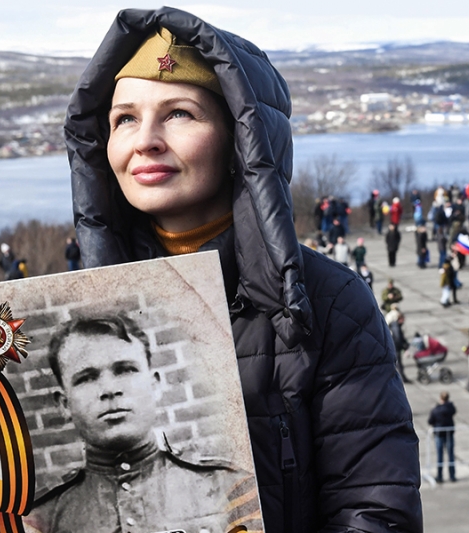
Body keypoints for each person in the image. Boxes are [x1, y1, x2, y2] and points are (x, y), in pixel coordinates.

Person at [48, 9, 419, 531]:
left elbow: (376, 510)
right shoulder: (78, 304)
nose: (145, 140)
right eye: (124, 118)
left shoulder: (328, 302)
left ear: (240, 142)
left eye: (179, 114)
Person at [26, 315, 260, 533]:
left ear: (155, 385)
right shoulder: (38, 519)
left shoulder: (230, 488)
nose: (109, 389)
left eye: (125, 369)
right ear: (64, 404)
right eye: (86, 378)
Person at [427, 392, 457, 483]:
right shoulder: (450, 408)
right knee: (451, 455)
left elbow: (430, 421)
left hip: (439, 434)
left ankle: (440, 476)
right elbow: (454, 411)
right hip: (449, 434)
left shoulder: (436, 410)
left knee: (440, 456)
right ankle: (452, 475)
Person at [389, 312, 412, 384]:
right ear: (400, 319)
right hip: (396, 348)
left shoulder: (394, 325)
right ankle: (403, 378)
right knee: (398, 364)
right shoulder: (396, 328)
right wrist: (403, 346)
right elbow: (398, 338)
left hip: (394, 347)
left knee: (397, 364)